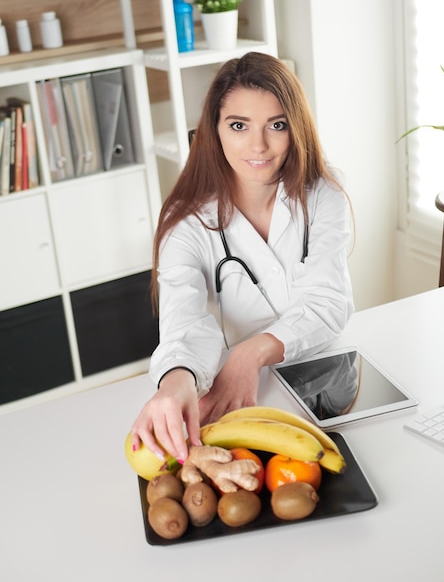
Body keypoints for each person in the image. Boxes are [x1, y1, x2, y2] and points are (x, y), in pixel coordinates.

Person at [131, 51, 354, 463]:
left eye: (277, 125)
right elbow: (183, 322)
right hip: (236, 394)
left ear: (295, 129)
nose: (259, 145)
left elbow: (328, 302)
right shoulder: (185, 223)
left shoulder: (323, 192)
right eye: (238, 125)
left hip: (323, 373)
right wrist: (175, 384)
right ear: (213, 131)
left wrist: (248, 354)